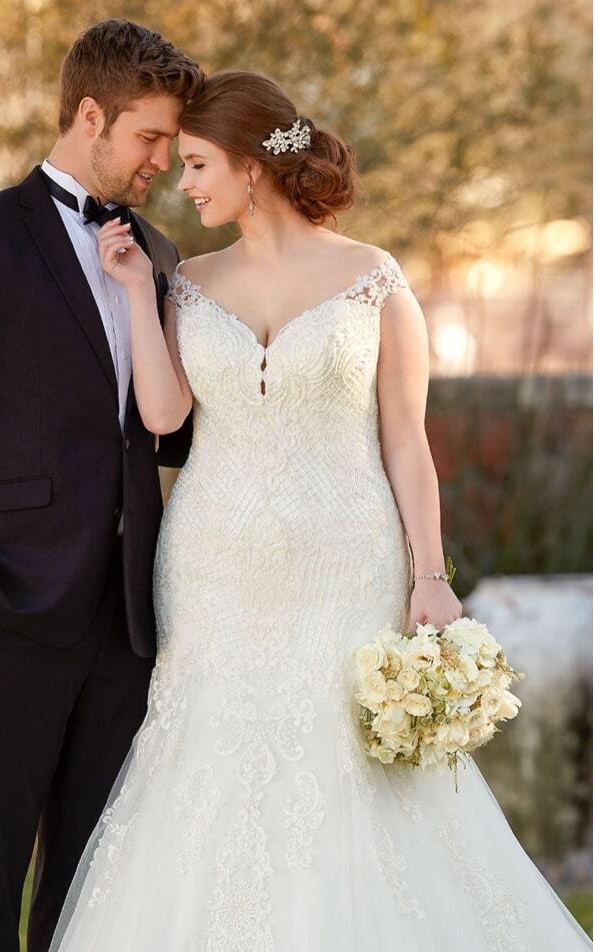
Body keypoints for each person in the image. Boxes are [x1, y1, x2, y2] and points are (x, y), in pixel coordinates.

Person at [49, 71, 592, 950]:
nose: (184, 184)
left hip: (346, 562)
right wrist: (133, 298)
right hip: (212, 566)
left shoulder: (372, 280)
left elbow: (407, 445)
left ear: (252, 166)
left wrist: (429, 576)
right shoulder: (183, 279)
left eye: (196, 163)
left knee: (346, 764)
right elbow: (162, 416)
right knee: (208, 756)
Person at [0, 18, 202, 951]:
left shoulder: (158, 254)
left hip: (124, 616)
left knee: (90, 880)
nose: (160, 160)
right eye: (149, 136)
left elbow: (173, 427)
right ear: (89, 114)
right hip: (3, 607)